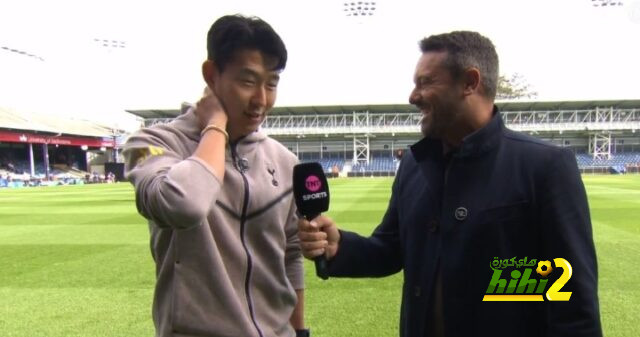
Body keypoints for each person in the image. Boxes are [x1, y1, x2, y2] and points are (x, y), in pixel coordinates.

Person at [299, 31, 601, 337]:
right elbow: (392, 249)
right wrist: (340, 247)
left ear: (470, 82)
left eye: (426, 82)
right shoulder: (414, 165)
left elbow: (573, 301)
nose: (413, 96)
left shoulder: (545, 166)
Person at [123, 15, 309, 337]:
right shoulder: (150, 145)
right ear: (211, 75)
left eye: (272, 83)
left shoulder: (285, 161)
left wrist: (300, 330)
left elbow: (291, 254)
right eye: (248, 81)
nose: (261, 101)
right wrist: (214, 126)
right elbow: (184, 205)